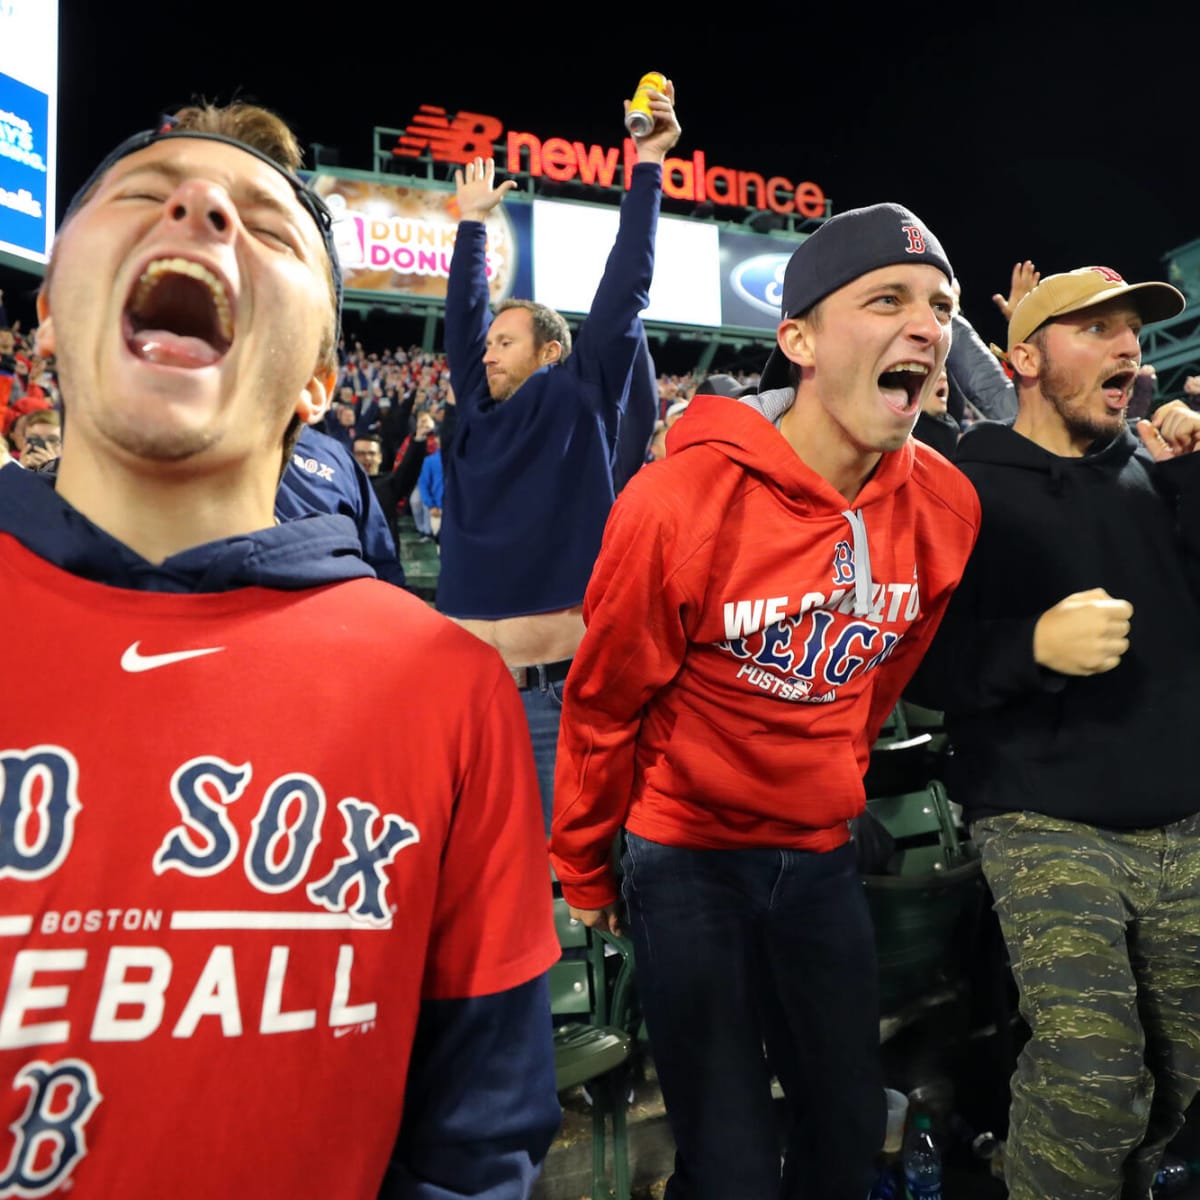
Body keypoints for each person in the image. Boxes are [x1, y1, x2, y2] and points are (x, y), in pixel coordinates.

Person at [0, 100, 560, 1198]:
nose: (201, 207)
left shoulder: (443, 691)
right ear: (49, 317)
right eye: (138, 194)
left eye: (266, 222)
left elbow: (477, 1142)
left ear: (316, 381)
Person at [549, 202, 982, 1199]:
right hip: (686, 857)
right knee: (733, 1163)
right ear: (799, 342)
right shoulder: (678, 502)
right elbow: (606, 702)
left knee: (840, 1136)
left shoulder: (946, 507)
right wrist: (583, 864)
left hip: (819, 856)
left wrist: (836, 771)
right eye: (887, 299)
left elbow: (881, 678)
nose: (928, 326)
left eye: (942, 306)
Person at [908, 264, 1200, 1200]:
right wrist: (1029, 645)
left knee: (1189, 1085)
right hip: (1043, 816)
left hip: (1184, 821)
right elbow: (918, 667)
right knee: (1094, 1079)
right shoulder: (963, 483)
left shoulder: (1157, 472)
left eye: (1133, 332)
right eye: (1100, 329)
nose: (1129, 348)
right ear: (1024, 359)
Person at [438, 80, 678, 831]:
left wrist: (646, 167)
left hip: (559, 699)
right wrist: (473, 227)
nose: (489, 353)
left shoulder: (581, 393)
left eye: (506, 342)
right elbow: (462, 319)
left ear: (550, 350)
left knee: (572, 906)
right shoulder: (473, 413)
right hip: (464, 699)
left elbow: (626, 285)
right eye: (487, 344)